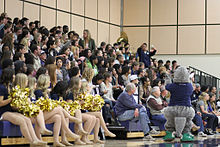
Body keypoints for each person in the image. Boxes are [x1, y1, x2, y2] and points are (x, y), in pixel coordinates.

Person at [163, 67, 195, 141]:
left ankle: (169, 133)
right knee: (188, 121)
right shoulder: (189, 86)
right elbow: (191, 90)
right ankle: (185, 134)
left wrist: (168, 77)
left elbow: (167, 86)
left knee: (170, 121)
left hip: (172, 108)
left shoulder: (173, 86)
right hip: (186, 108)